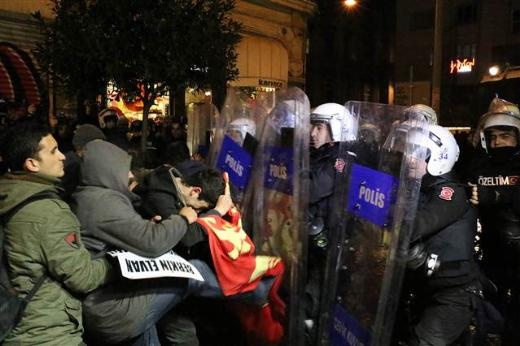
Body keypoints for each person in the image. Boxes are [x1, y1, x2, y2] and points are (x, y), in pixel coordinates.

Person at [0, 123, 112, 345]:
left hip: (14, 326)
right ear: (31, 164)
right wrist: (115, 265)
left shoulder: (9, 195)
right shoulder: (48, 211)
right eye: (53, 151)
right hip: (47, 333)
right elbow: (83, 277)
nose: (62, 156)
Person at [402, 125, 479, 345]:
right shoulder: (420, 189)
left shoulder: (450, 193)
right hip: (426, 287)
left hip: (454, 294)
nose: (409, 159)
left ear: (438, 157)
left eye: (417, 153)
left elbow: (417, 225)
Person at [467, 96, 520, 344]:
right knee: (492, 307)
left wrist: (496, 195)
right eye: (493, 136)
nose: (498, 142)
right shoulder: (480, 165)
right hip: (491, 249)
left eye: (505, 135)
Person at [60, 123, 106, 202]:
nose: (101, 149)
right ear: (83, 145)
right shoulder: (73, 166)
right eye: (97, 145)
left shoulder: (77, 161)